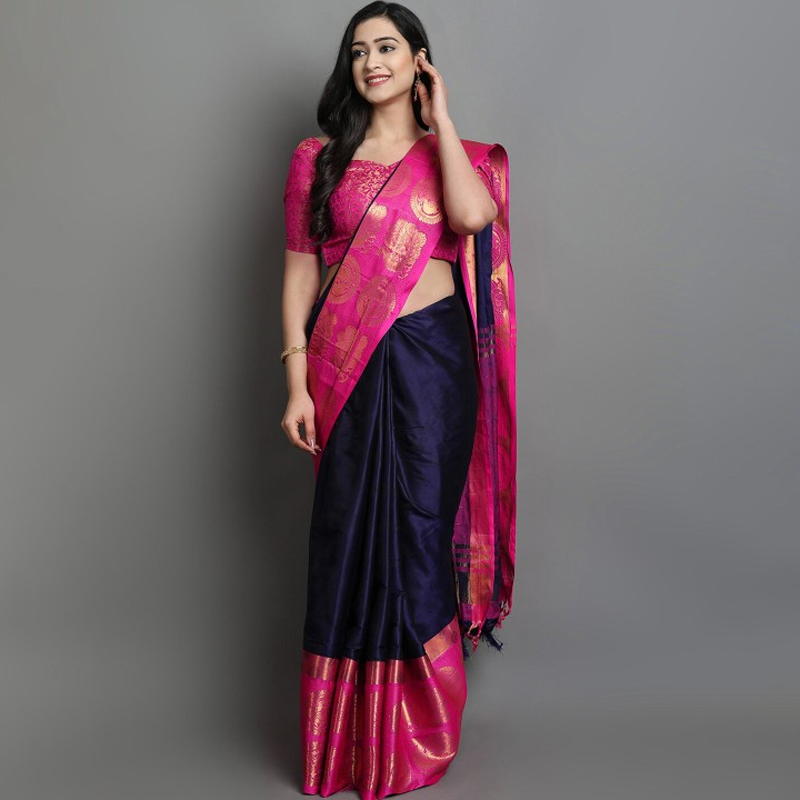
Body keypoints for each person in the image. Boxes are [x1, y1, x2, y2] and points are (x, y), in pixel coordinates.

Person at [280, 3, 516, 797]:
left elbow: (473, 217)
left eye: (387, 47)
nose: (371, 61)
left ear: (419, 60)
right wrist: (294, 382)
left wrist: (439, 120)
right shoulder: (317, 160)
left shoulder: (451, 155)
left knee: (417, 531)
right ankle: (345, 741)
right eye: (358, 51)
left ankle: (417, 733)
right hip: (345, 366)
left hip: (432, 367)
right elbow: (300, 274)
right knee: (345, 537)